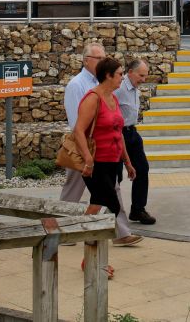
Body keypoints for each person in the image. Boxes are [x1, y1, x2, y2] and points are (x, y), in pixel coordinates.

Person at [60, 41, 137, 246]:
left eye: (104, 58)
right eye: (99, 58)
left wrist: (127, 161)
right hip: (89, 153)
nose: (103, 60)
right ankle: (70, 232)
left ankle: (115, 234)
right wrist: (87, 157)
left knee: (105, 198)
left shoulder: (110, 94)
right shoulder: (78, 86)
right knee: (79, 193)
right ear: (86, 61)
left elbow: (116, 129)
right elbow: (77, 126)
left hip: (108, 157)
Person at [73, 57, 140, 278]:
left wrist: (127, 162)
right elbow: (78, 130)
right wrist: (88, 159)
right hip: (96, 163)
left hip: (113, 162)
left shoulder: (113, 98)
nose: (122, 77)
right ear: (108, 76)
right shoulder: (93, 98)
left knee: (100, 207)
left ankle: (90, 258)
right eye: (120, 74)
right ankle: (85, 244)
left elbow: (118, 133)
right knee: (110, 206)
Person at [114, 59, 156, 225]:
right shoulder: (118, 88)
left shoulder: (134, 87)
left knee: (142, 169)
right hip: (119, 134)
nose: (143, 80)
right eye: (141, 75)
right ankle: (112, 212)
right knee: (116, 175)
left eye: (145, 76)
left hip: (132, 132)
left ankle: (138, 209)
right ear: (130, 72)